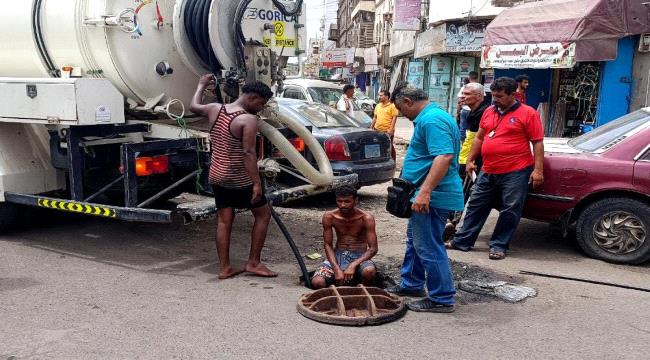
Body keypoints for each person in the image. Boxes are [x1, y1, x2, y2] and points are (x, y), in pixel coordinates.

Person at [386, 84, 464, 313]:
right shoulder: (433, 116)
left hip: (433, 196)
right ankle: (411, 284)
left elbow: (444, 156)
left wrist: (425, 191)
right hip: (423, 194)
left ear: (408, 101)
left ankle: (442, 298)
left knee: (429, 246)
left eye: (401, 108)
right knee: (415, 241)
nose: (402, 114)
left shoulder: (432, 120)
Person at [447, 77, 544, 260]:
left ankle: (499, 245)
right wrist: (470, 160)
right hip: (488, 169)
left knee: (510, 208)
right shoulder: (490, 111)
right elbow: (480, 137)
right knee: (476, 205)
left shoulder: (528, 113)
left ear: (512, 94)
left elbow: (537, 143)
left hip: (516, 170)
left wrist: (538, 171)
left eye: (499, 96)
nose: (495, 99)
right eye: (493, 95)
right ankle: (462, 241)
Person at [190, 75, 277, 279]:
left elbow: (193, 106)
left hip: (217, 175)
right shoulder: (247, 119)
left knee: (224, 221)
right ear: (252, 97)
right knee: (263, 214)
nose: (262, 108)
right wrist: (256, 183)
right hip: (238, 177)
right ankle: (254, 263)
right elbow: (249, 153)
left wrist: (201, 85)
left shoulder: (215, 109)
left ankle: (225, 268)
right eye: (261, 103)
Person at [311, 186, 378, 289]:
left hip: (359, 256)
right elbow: (328, 245)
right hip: (338, 255)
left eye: (347, 201)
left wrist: (353, 265)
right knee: (317, 282)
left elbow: (373, 248)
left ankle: (361, 296)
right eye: (339, 201)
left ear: (355, 200)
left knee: (369, 272)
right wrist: (336, 269)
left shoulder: (366, 218)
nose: (343, 205)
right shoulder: (329, 216)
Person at [371, 89, 400, 159]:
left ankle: (392, 160)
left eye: (381, 95)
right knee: (378, 146)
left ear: (387, 97)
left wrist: (391, 129)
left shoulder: (392, 106)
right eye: (379, 95)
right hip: (377, 130)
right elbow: (375, 117)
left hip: (387, 131)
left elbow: (394, 118)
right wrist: (371, 127)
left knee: (389, 147)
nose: (379, 97)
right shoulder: (378, 106)